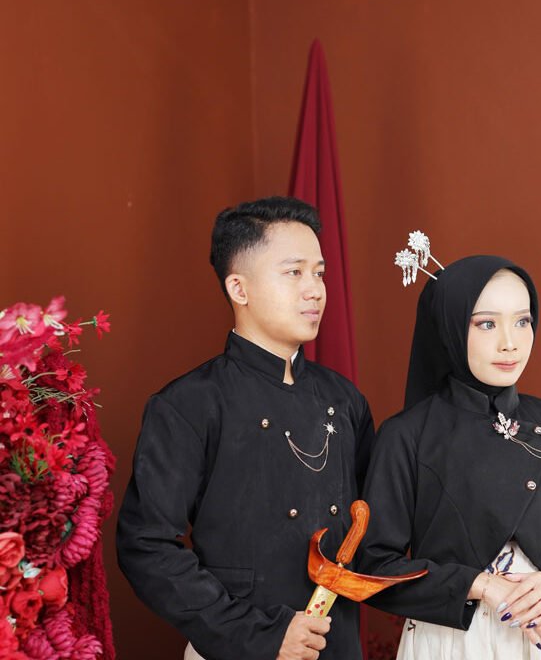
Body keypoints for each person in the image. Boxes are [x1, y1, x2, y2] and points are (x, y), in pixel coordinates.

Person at [117, 196, 374, 660]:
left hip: (336, 644)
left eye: (319, 273)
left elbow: (376, 528)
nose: (315, 290)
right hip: (236, 647)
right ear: (239, 288)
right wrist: (260, 634)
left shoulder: (344, 399)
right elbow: (146, 545)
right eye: (294, 272)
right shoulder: (189, 403)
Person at [359, 255, 541, 659]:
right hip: (452, 642)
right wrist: (484, 586)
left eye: (522, 321)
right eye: (487, 324)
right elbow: (374, 566)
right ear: (451, 327)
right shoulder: (407, 435)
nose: (510, 342)